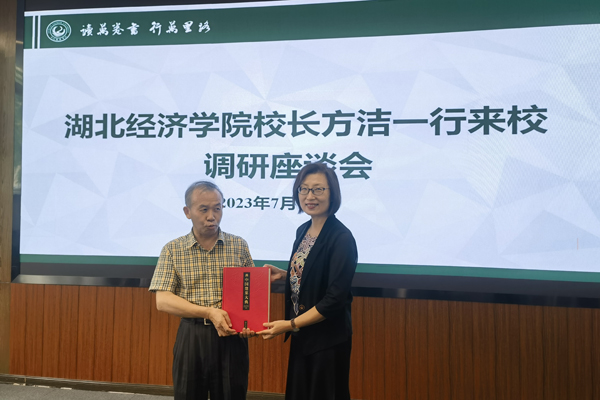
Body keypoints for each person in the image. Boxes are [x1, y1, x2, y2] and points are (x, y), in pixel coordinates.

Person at [149, 181, 283, 400]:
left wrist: (250, 321)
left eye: (217, 208)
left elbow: (249, 293)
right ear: (187, 212)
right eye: (203, 209)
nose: (211, 216)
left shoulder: (238, 245)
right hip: (192, 336)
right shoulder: (173, 249)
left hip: (232, 335)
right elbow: (162, 300)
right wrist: (209, 312)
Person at [258, 163, 358, 400]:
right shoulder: (304, 230)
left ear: (332, 193)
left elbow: (334, 299)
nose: (309, 196)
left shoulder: (341, 237)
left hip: (327, 340)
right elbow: (314, 269)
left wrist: (290, 324)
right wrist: (286, 273)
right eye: (303, 189)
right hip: (303, 334)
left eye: (318, 189)